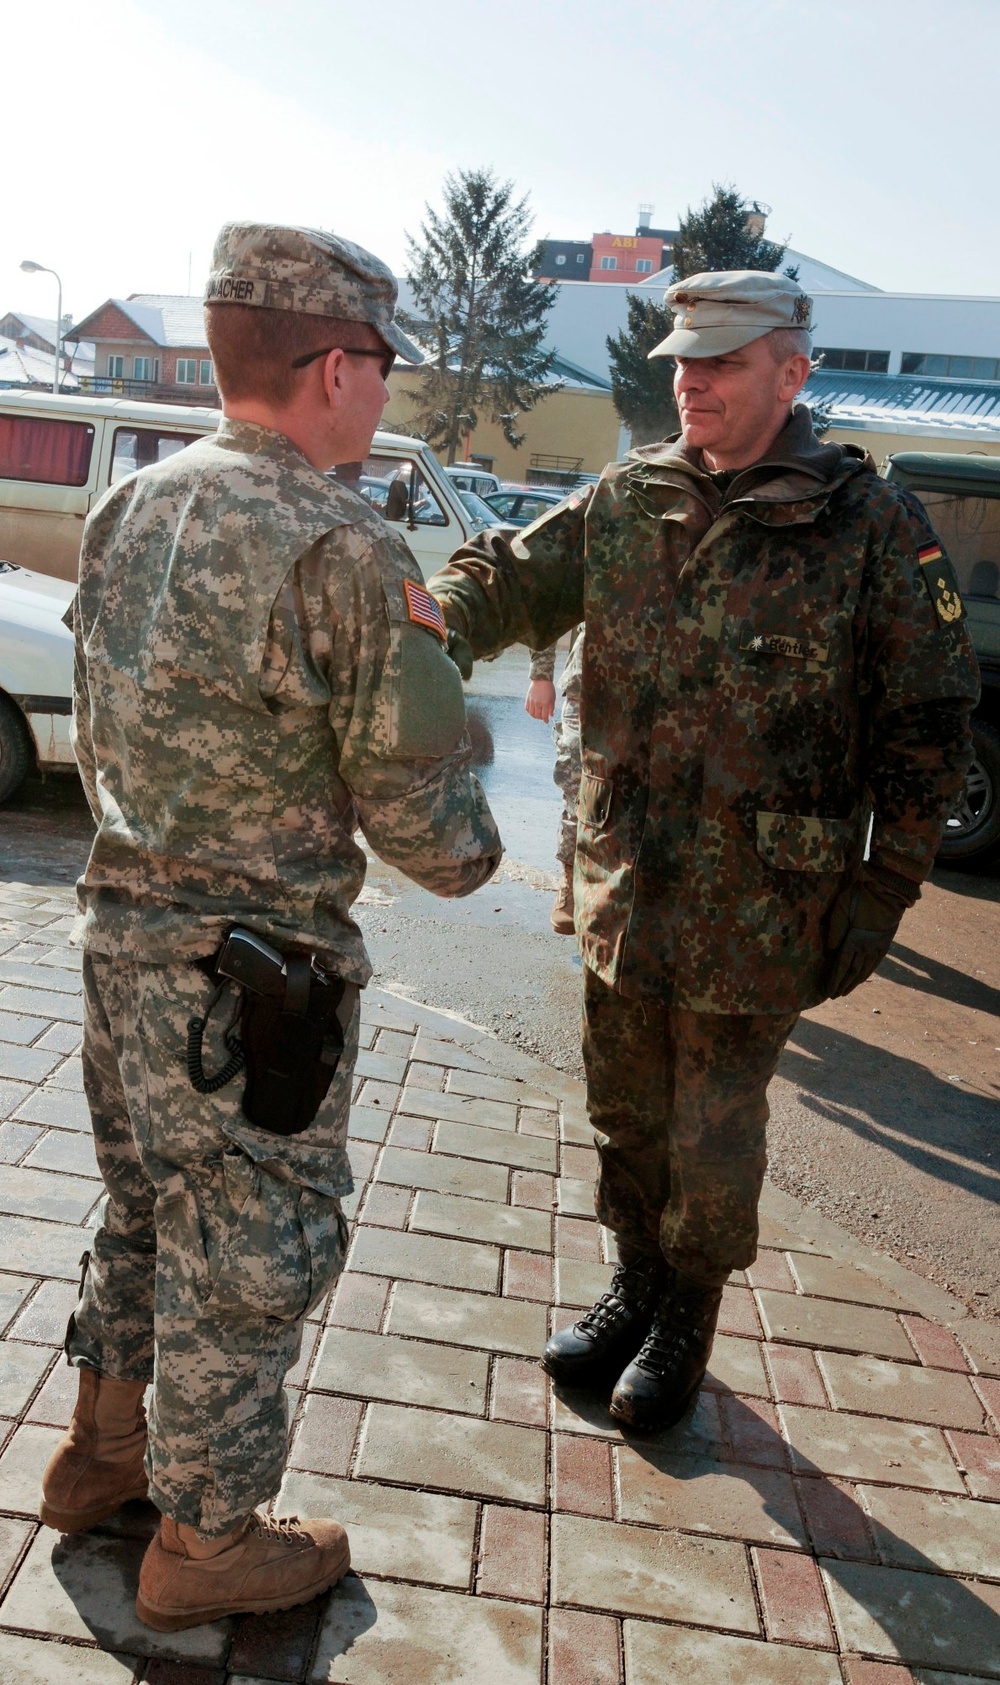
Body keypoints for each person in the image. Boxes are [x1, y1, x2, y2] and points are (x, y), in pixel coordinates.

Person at [41, 223, 502, 1629]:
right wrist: (478, 807)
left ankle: (98, 1459)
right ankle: (210, 1540)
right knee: (254, 1255)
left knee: (142, 1215)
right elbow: (435, 839)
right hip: (253, 990)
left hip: (120, 952)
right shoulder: (345, 545)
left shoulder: (133, 505)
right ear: (332, 368)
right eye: (379, 365)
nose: (384, 393)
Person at [429, 270, 979, 1433]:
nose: (691, 379)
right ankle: (633, 1279)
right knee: (624, 1109)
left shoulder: (867, 526)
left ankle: (688, 1310)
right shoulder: (629, 497)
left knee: (714, 1127)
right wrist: (431, 617)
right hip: (624, 879)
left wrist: (878, 896)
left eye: (722, 360)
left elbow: (926, 729)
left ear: (792, 370)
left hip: (764, 905)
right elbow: (508, 575)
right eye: (683, 357)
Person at [525, 625, 584, 932]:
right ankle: (571, 881)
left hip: (665, 684)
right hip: (589, 676)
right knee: (575, 779)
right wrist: (541, 674)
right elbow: (552, 592)